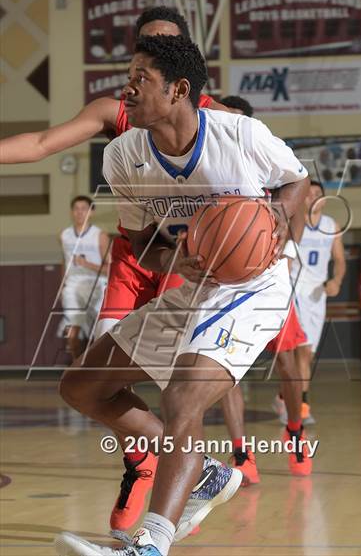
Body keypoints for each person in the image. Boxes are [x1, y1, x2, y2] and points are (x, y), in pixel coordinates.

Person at [55, 34, 309, 556]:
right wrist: (174, 261)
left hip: (254, 286)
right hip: (196, 281)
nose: (126, 89)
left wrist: (279, 217)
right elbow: (143, 246)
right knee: (81, 387)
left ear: (179, 90)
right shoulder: (124, 156)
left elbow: (296, 180)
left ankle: (149, 545)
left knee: (183, 396)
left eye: (140, 79)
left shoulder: (241, 135)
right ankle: (205, 474)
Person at [219, 96, 312, 478]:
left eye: (238, 120)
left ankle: (294, 431)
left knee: (287, 364)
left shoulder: (266, 156)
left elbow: (299, 201)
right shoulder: (212, 165)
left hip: (268, 273)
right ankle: (241, 455)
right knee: (222, 370)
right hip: (223, 278)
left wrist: (286, 249)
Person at [291, 180, 346, 423]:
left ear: (324, 200)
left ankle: (285, 398)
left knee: (308, 355)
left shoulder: (331, 226)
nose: (313, 197)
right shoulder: (295, 224)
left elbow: (340, 260)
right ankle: (302, 407)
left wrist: (337, 280)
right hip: (296, 291)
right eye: (309, 193)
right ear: (302, 198)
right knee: (302, 352)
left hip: (317, 294)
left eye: (318, 194)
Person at [58, 196, 110, 359]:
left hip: (97, 285)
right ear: (71, 212)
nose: (80, 212)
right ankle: (77, 369)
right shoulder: (64, 235)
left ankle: (99, 368)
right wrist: (63, 285)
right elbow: (64, 261)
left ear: (91, 212)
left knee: (100, 331)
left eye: (84, 208)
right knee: (72, 332)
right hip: (73, 286)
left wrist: (87, 264)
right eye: (76, 209)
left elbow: (110, 269)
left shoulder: (100, 236)